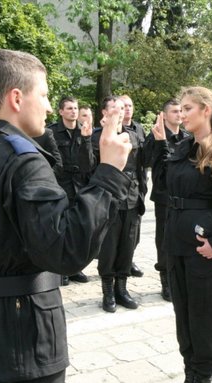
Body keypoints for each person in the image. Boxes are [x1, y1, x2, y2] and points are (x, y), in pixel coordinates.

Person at [0, 49, 132, 383]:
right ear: (16, 97)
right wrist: (108, 174)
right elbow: (66, 251)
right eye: (42, 95)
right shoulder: (24, 161)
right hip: (23, 337)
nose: (46, 106)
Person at [151, 86, 212, 382]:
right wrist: (159, 146)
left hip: (202, 249)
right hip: (177, 245)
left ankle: (201, 375)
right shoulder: (183, 147)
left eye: (187, 109)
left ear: (206, 110)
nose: (181, 115)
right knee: (184, 319)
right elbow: (162, 186)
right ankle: (190, 372)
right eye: (179, 110)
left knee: (203, 319)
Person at [91, 96, 144, 312]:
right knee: (108, 247)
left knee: (127, 245)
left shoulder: (133, 135)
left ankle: (122, 288)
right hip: (109, 197)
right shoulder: (97, 137)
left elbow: (142, 166)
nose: (120, 112)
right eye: (114, 108)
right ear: (105, 112)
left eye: (122, 108)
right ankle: (108, 291)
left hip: (131, 197)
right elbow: (89, 167)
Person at [46, 97, 96, 284]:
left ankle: (76, 268)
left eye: (75, 108)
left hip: (80, 185)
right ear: (61, 111)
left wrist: (86, 139)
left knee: (79, 228)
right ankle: (61, 270)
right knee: (61, 229)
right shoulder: (51, 131)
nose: (73, 111)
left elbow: (88, 164)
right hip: (61, 185)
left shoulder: (83, 130)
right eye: (69, 108)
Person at [144, 98, 188, 301]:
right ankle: (165, 279)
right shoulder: (156, 137)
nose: (179, 115)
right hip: (164, 197)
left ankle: (180, 276)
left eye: (181, 111)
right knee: (164, 239)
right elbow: (148, 163)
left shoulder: (187, 137)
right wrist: (159, 141)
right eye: (174, 112)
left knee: (183, 236)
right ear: (164, 115)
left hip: (185, 196)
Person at [119, 94, 147, 278]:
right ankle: (118, 265)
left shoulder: (139, 129)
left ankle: (129, 260)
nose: (128, 108)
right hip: (120, 185)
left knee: (134, 230)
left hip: (138, 183)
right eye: (124, 106)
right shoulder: (114, 129)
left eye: (130, 105)